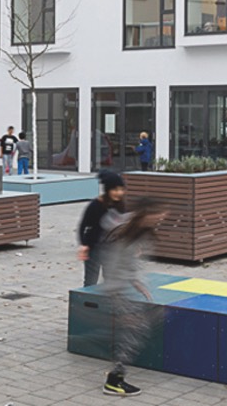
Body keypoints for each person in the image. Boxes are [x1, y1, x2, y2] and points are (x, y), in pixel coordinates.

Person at [97, 197, 167, 397]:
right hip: (117, 290)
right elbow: (112, 263)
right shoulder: (124, 233)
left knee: (141, 325)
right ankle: (114, 380)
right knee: (136, 328)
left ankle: (113, 367)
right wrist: (116, 298)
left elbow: (130, 262)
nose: (161, 219)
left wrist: (137, 282)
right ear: (146, 214)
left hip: (126, 287)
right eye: (158, 215)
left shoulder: (140, 232)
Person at [77, 170, 126, 286]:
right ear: (108, 190)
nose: (119, 193)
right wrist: (83, 245)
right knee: (91, 280)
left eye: (121, 190)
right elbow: (83, 226)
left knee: (111, 279)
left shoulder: (121, 205)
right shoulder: (95, 205)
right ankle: (88, 297)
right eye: (115, 190)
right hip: (94, 246)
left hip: (112, 247)